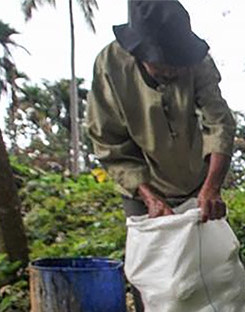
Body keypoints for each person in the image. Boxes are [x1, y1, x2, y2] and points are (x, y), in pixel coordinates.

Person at [86, 0, 234, 222]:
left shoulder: (198, 61)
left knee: (205, 251)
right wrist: (149, 198)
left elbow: (220, 123)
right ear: (139, 52)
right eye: (163, 64)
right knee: (154, 252)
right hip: (143, 187)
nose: (174, 70)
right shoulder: (110, 66)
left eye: (179, 63)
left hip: (198, 182)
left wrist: (212, 187)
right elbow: (109, 143)